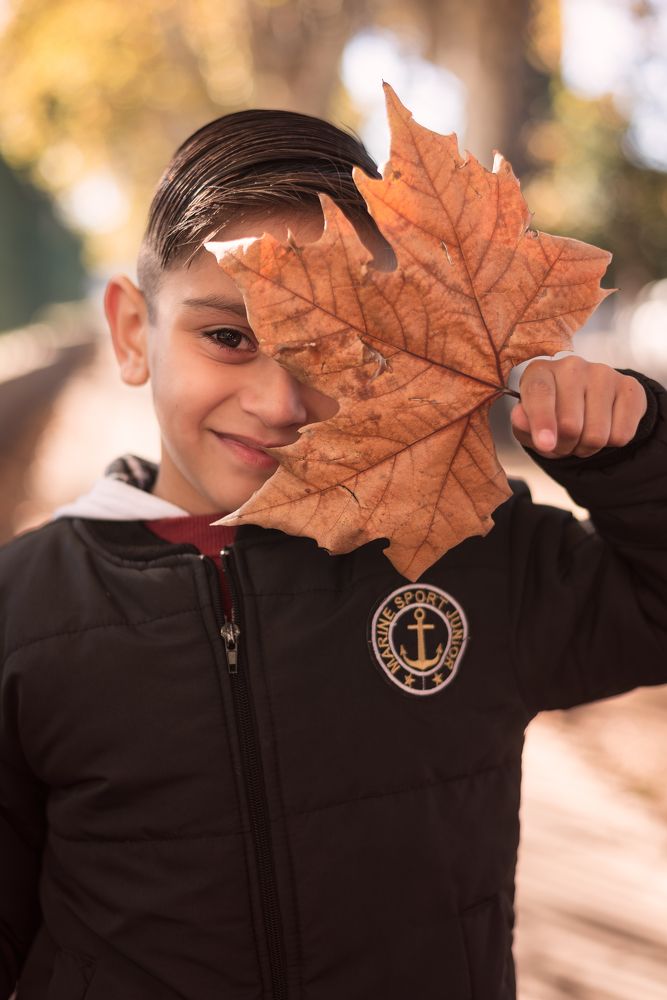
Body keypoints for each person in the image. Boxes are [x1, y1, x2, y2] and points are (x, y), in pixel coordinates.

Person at [0, 108, 664, 1000]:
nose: (278, 402)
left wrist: (633, 457)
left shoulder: (462, 546)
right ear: (130, 332)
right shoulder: (25, 611)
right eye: (228, 338)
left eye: (330, 349)